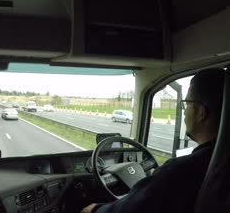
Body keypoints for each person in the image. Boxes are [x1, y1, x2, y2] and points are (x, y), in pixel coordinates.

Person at [81, 68, 225, 213]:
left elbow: (131, 208)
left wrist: (95, 210)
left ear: (201, 112)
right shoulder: (218, 162)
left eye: (187, 104)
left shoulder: (179, 171)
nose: (185, 111)